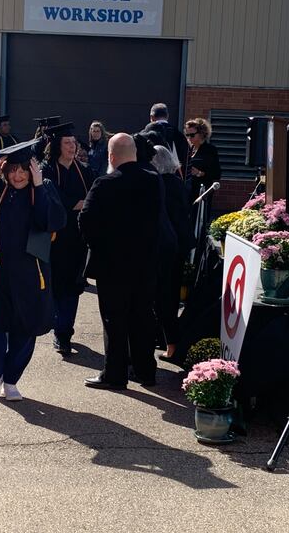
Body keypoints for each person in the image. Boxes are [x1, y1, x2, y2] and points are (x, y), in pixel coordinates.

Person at [0, 139, 66, 401]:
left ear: (31, 170)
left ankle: (11, 379)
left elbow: (52, 220)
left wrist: (39, 185)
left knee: (25, 327)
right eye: (12, 170)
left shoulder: (43, 188)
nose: (18, 176)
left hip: (31, 273)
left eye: (22, 170)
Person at [78, 133, 163, 389]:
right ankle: (145, 371)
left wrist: (98, 246)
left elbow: (86, 220)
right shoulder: (154, 181)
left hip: (112, 265)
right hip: (145, 263)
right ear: (134, 154)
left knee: (114, 320)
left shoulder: (104, 183)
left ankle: (115, 374)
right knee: (142, 316)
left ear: (111, 156)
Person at [40, 122, 94, 355]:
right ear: (57, 146)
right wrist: (76, 203)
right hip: (53, 238)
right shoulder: (47, 170)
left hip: (77, 238)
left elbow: (92, 197)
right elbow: (51, 198)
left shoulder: (85, 170)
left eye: (74, 143)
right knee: (55, 285)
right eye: (67, 143)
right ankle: (56, 324)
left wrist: (78, 204)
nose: (73, 147)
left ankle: (64, 333)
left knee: (72, 287)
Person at [151, 146, 193, 360]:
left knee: (161, 297)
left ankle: (169, 343)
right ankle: (168, 342)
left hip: (164, 247)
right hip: (179, 246)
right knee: (170, 296)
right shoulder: (177, 183)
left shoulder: (159, 184)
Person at [184, 118, 221, 208]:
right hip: (188, 191)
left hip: (202, 191)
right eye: (187, 135)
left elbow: (216, 174)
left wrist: (199, 173)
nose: (189, 138)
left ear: (201, 134)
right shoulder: (188, 149)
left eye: (192, 135)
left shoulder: (210, 150)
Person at [145, 103, 188, 172]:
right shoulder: (180, 136)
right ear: (167, 116)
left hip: (152, 175)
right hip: (174, 175)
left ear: (151, 117)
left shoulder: (145, 135)